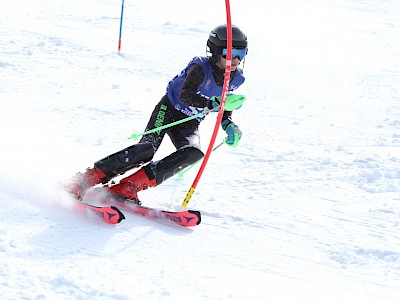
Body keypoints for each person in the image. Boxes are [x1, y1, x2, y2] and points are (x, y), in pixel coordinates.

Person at [66, 24, 248, 204]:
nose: (235, 61)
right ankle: (84, 180)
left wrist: (228, 123)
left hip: (189, 122)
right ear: (216, 51)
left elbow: (225, 104)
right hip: (168, 110)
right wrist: (211, 103)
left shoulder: (235, 78)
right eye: (230, 54)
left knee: (193, 153)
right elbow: (185, 95)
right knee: (146, 149)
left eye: (241, 55)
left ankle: (127, 187)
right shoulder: (201, 67)